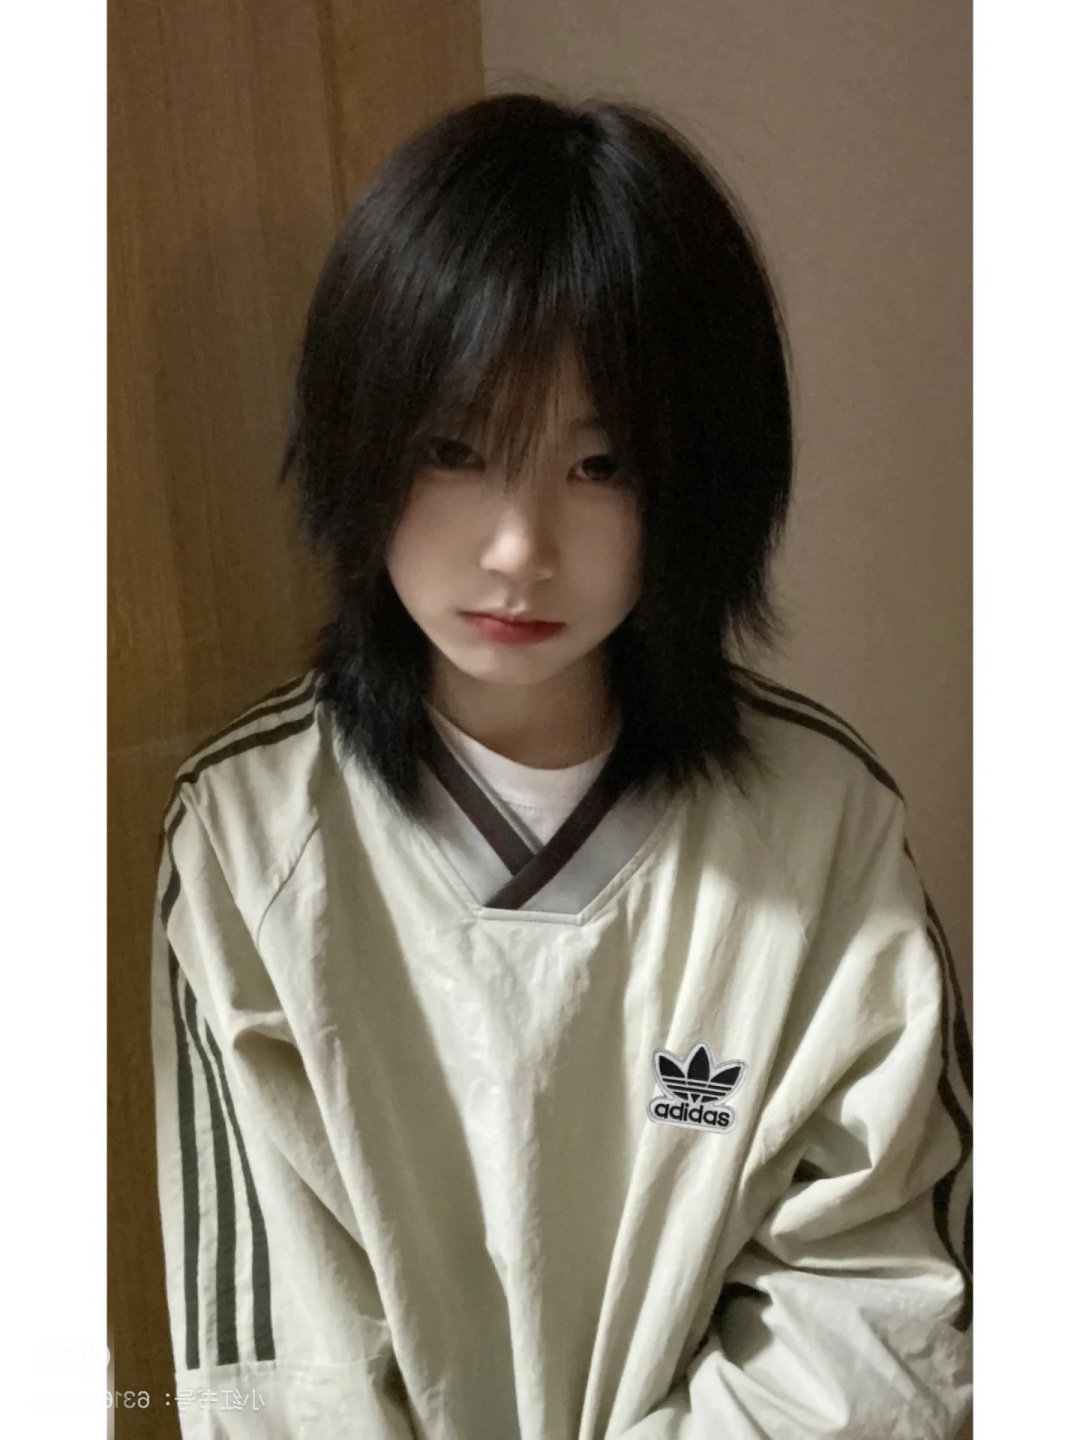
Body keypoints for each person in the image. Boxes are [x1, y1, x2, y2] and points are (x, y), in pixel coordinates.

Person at [150, 92, 972, 1438]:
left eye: (603, 464)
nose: (520, 547)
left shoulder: (823, 825)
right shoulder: (247, 843)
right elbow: (277, 1369)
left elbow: (880, 1317)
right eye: (454, 449)